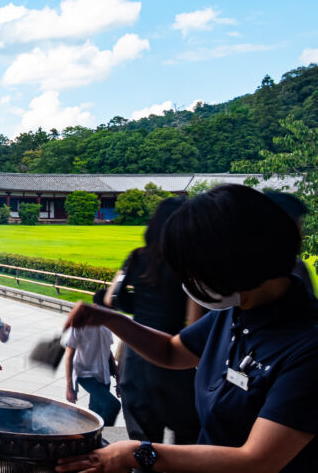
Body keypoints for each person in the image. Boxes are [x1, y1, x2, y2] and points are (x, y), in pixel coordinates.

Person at [56, 184, 318, 473]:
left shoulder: (308, 347)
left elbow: (257, 460)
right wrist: (111, 319)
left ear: (238, 262)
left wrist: (139, 453)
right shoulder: (238, 310)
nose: (189, 281)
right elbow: (173, 351)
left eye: (196, 269)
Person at [104, 196, 202, 444]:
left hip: (136, 357)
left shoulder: (136, 257)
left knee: (142, 445)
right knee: (186, 441)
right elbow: (194, 320)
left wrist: (140, 306)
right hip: (175, 357)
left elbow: (111, 298)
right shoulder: (191, 264)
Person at [65, 290, 121, 426]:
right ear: (96, 307)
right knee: (113, 406)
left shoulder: (107, 326)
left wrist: (118, 377)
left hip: (104, 375)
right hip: (86, 375)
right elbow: (69, 355)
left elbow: (108, 353)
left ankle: (90, 440)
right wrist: (69, 386)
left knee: (96, 412)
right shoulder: (80, 324)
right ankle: (100, 435)